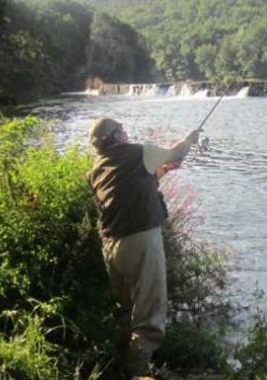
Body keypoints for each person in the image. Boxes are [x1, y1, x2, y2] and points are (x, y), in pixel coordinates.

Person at [86, 117, 199, 378]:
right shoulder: (140, 151)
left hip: (111, 246)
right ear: (115, 136)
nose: (126, 132)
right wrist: (189, 139)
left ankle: (115, 361)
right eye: (121, 130)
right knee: (150, 310)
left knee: (126, 307)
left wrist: (159, 173)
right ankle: (137, 371)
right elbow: (177, 153)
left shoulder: (97, 167)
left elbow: (127, 188)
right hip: (141, 240)